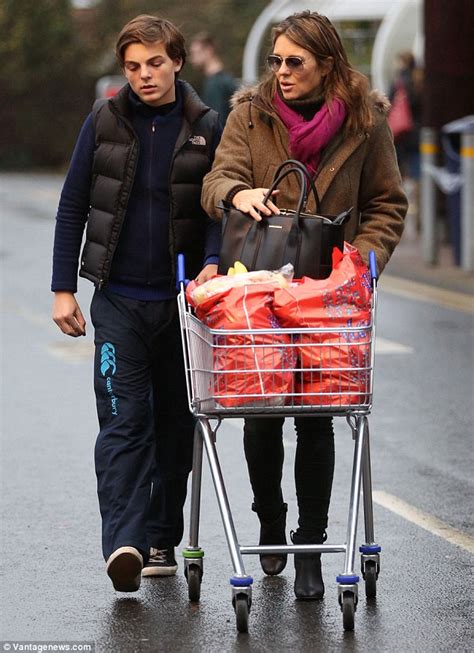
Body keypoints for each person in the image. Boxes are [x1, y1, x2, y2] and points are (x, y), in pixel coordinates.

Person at [202, 11, 407, 600]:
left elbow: (387, 203)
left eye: (295, 61)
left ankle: (311, 546)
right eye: (276, 61)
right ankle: (270, 522)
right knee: (261, 413)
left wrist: (360, 268)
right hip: (258, 292)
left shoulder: (365, 121)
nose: (283, 72)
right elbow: (217, 181)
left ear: (327, 65)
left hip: (327, 296)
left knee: (318, 422)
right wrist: (238, 191)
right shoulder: (250, 113)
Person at [51, 14, 222, 592]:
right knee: (124, 423)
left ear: (176, 60)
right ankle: (122, 542)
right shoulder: (103, 121)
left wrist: (214, 265)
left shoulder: (206, 126)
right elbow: (74, 204)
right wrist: (62, 288)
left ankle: (160, 537)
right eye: (132, 66)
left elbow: (218, 209)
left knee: (176, 429)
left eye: (154, 63)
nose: (144, 75)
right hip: (119, 301)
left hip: (183, 307)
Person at [189, 32, 238, 125]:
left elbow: (215, 123)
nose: (192, 59)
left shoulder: (216, 84)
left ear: (208, 51)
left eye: (195, 53)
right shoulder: (223, 79)